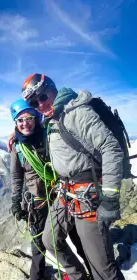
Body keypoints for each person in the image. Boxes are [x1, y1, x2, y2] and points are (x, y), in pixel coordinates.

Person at [18, 73, 125, 280]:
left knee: (102, 267)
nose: (39, 104)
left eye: (42, 97)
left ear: (52, 89)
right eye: (34, 102)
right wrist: (17, 134)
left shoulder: (76, 112)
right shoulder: (52, 118)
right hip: (66, 192)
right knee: (50, 241)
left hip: (89, 195)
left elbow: (111, 148)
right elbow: (32, 129)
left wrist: (110, 198)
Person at [9, 98, 93, 280]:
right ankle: (36, 277)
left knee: (77, 237)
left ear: (36, 117)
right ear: (15, 123)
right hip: (38, 202)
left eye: (29, 118)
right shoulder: (18, 147)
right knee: (38, 244)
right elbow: (16, 176)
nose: (25, 124)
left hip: (62, 195)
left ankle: (93, 273)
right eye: (20, 120)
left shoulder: (49, 134)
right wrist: (16, 201)